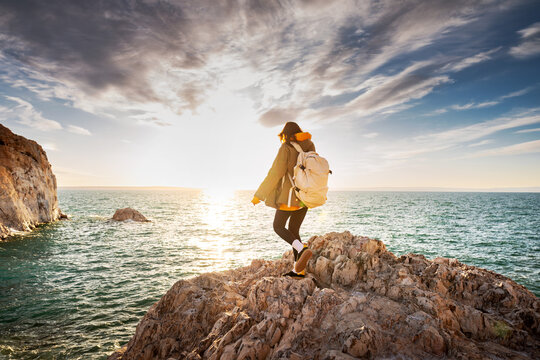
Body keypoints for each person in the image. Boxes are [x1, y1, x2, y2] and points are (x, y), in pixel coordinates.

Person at [251, 122, 314, 278]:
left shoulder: (286, 148)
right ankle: (299, 270)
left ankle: (302, 249)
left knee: (278, 226)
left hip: (290, 196)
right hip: (305, 197)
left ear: (285, 134)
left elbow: (275, 173)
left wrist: (259, 195)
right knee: (294, 231)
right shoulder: (310, 145)